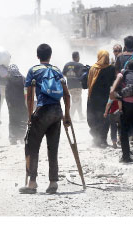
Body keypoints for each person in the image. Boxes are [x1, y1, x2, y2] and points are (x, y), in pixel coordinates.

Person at [19, 44, 71, 194]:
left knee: (32, 146)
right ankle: (53, 182)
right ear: (50, 55)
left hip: (43, 110)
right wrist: (66, 115)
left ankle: (32, 183)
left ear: (37, 56)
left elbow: (29, 96)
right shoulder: (57, 71)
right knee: (52, 148)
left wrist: (30, 116)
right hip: (57, 111)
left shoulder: (34, 70)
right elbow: (67, 95)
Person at [86, 50, 117, 147]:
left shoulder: (93, 68)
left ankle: (96, 138)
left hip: (93, 98)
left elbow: (88, 84)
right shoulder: (111, 68)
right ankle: (102, 140)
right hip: (105, 98)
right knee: (104, 118)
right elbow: (113, 82)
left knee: (93, 118)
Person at [5, 64, 28, 145]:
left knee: (13, 121)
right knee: (23, 120)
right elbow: (26, 92)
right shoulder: (23, 79)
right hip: (22, 104)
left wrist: (8, 104)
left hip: (12, 104)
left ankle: (13, 139)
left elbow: (7, 93)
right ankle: (21, 137)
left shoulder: (8, 79)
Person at [62, 51, 86, 121]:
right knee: (76, 101)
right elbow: (84, 75)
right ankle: (70, 116)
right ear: (78, 57)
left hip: (69, 86)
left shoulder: (67, 65)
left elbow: (63, 74)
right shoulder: (80, 65)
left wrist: (70, 77)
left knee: (79, 100)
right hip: (77, 86)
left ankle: (80, 115)